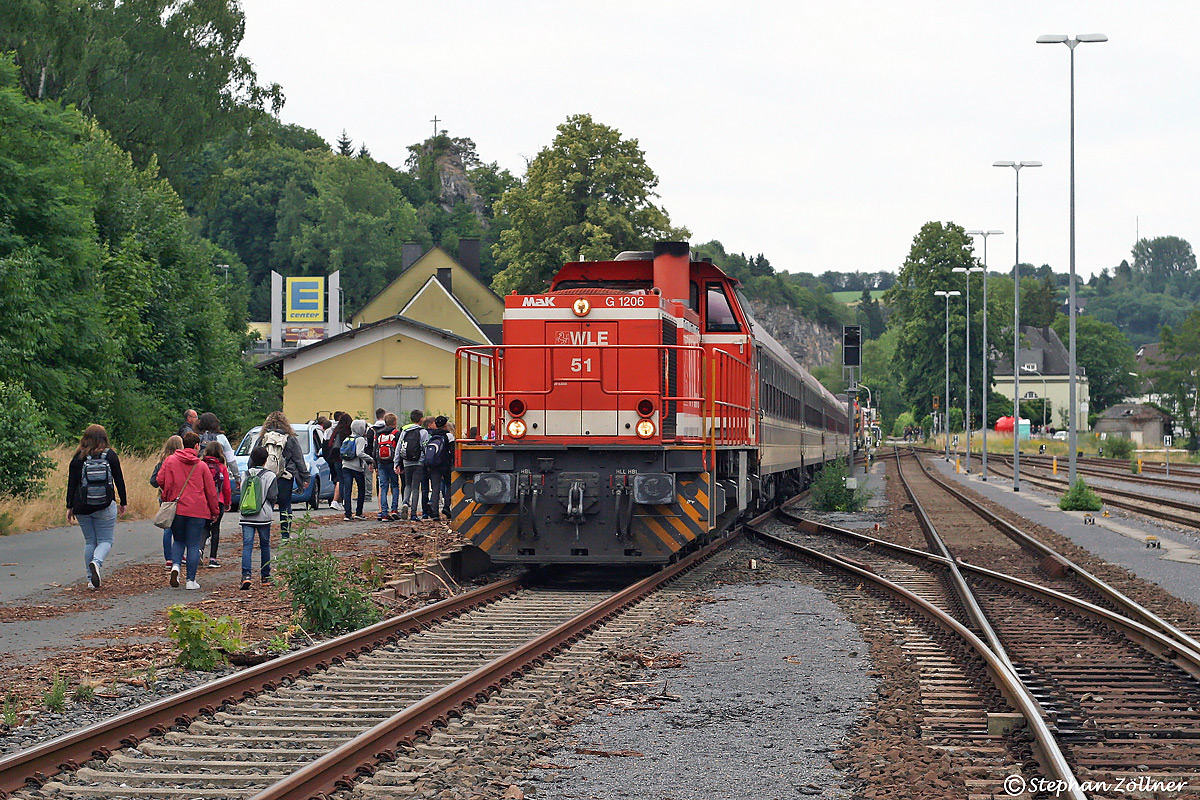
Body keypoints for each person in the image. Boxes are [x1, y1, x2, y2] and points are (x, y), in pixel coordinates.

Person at [66, 424, 127, 589]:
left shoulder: (78, 457)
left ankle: (90, 580)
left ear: (85, 438)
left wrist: (69, 506)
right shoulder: (110, 455)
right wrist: (123, 502)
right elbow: (119, 479)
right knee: (105, 540)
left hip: (82, 505)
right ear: (104, 438)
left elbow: (72, 483)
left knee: (90, 542)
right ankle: (97, 562)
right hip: (105, 505)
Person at [159, 431, 219, 590]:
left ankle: (176, 567)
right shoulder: (201, 466)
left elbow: (160, 479)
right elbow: (211, 491)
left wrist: (168, 494)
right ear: (197, 446)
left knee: (178, 540)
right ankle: (191, 581)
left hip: (177, 508)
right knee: (193, 544)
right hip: (197, 510)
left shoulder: (170, 460)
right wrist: (214, 511)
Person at [254, 412, 309, 540]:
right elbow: (299, 459)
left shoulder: (263, 438)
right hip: (285, 477)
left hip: (265, 476)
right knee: (285, 506)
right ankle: (285, 535)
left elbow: (254, 457)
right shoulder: (290, 438)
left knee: (265, 505)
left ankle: (264, 536)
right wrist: (305, 477)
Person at [239, 446, 278, 590]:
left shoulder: (245, 474)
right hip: (263, 515)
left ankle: (246, 576)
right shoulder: (270, 476)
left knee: (247, 545)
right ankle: (265, 577)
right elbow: (273, 496)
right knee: (265, 545)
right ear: (266, 460)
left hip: (246, 515)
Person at [151, 435, 183, 570]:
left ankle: (168, 558)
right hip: (179, 497)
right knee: (179, 527)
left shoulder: (161, 462)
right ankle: (178, 554)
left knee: (167, 527)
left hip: (164, 498)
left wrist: (163, 485)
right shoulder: (180, 462)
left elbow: (153, 481)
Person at [200, 441, 232, 567]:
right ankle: (212, 558)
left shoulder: (201, 465)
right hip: (219, 501)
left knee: (204, 527)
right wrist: (228, 502)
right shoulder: (222, 467)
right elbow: (227, 488)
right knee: (215, 529)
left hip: (203, 501)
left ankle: (199, 550)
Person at [395, 410, 429, 521]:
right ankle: (413, 514)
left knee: (407, 485)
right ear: (421, 419)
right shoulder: (423, 432)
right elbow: (425, 447)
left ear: (411, 419)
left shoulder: (404, 431)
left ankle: (405, 502)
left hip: (406, 462)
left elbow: (399, 447)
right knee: (416, 488)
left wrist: (397, 462)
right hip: (419, 462)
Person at [339, 418, 374, 520]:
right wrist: (371, 459)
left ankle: (348, 514)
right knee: (361, 489)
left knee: (347, 490)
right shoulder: (360, 439)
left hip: (345, 466)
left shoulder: (347, 438)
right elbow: (359, 453)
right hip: (357, 468)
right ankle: (359, 512)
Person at [196, 412, 240, 484]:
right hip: (218, 476)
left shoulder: (197, 437)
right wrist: (237, 477)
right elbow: (231, 459)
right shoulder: (221, 438)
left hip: (200, 475)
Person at [425, 416, 454, 521]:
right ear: (445, 425)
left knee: (435, 488)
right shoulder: (448, 435)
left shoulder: (432, 435)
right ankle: (446, 507)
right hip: (445, 464)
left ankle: (435, 512)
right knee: (449, 485)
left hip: (433, 465)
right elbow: (453, 450)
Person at [374, 412, 401, 521]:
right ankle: (394, 509)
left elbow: (375, 450)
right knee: (395, 485)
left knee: (383, 486)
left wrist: (375, 464)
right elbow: (399, 449)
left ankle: (384, 512)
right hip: (392, 462)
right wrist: (399, 464)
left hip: (381, 463)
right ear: (394, 422)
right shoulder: (396, 433)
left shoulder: (378, 433)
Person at [328, 410, 347, 511]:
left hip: (335, 458)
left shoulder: (334, 430)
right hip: (343, 459)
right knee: (341, 480)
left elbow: (329, 444)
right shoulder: (346, 432)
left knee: (339, 479)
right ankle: (337, 501)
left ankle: (338, 501)